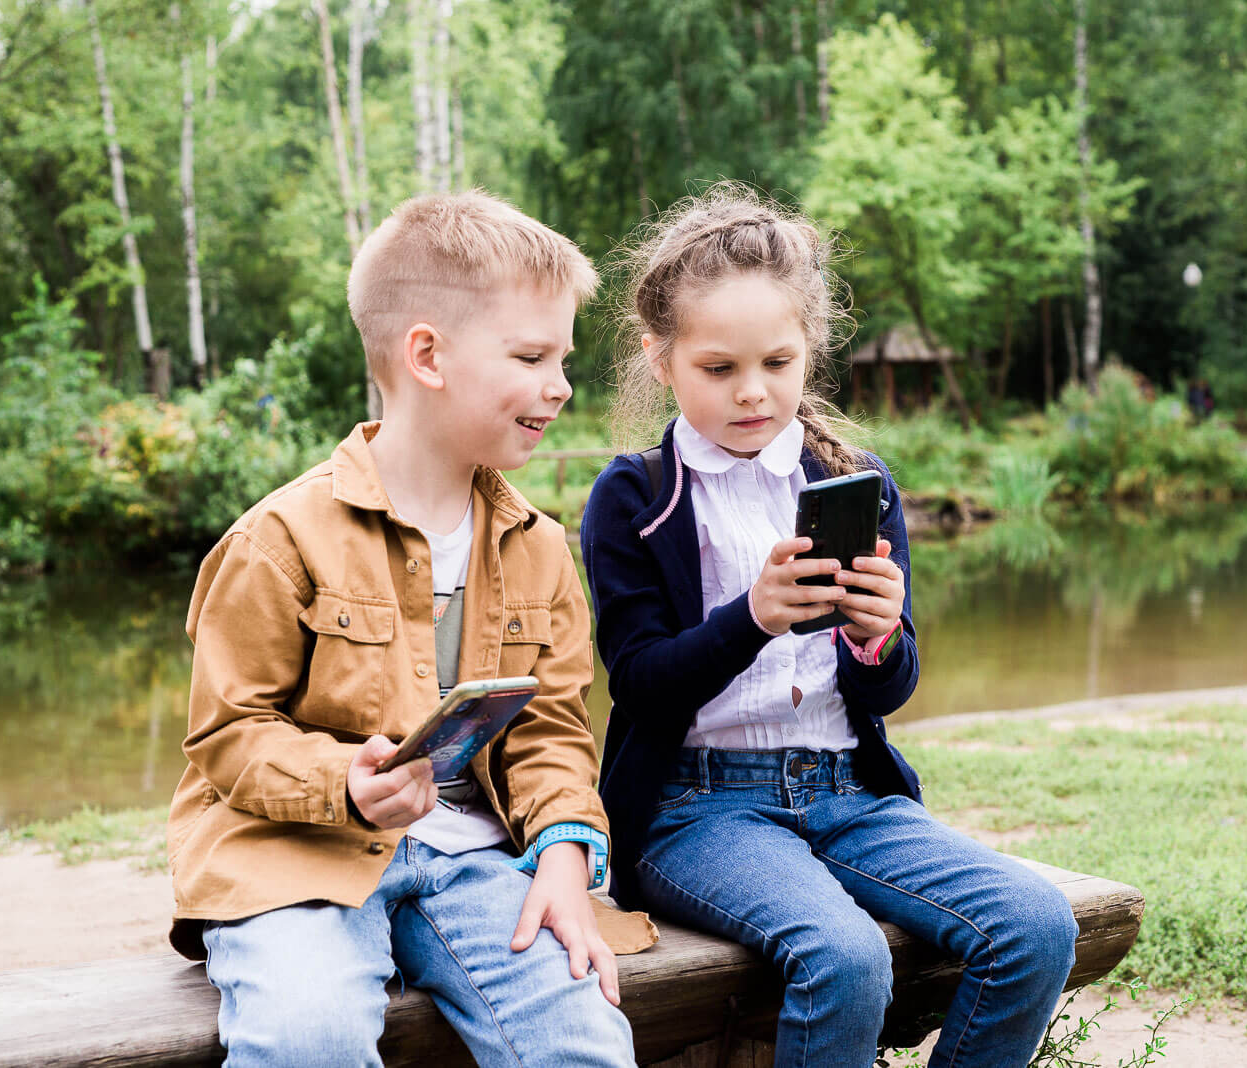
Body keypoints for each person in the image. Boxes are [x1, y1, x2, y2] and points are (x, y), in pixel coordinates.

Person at [580, 186, 1078, 1068]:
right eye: (718, 369)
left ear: (810, 349)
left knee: (1037, 927)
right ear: (662, 360)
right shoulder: (636, 498)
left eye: (777, 362)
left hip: (850, 793)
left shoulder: (855, 480)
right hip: (697, 811)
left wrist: (879, 638)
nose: (753, 392)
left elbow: (892, 686)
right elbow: (641, 684)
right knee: (843, 959)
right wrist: (753, 619)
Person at [166, 190, 635, 1067]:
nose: (561, 384)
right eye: (532, 355)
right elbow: (228, 735)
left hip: (475, 861)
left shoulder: (538, 549)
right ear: (427, 354)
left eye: (562, 357)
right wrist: (346, 780)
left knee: (583, 1038)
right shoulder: (280, 540)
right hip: (298, 859)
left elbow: (551, 731)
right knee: (309, 1040)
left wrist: (567, 851)